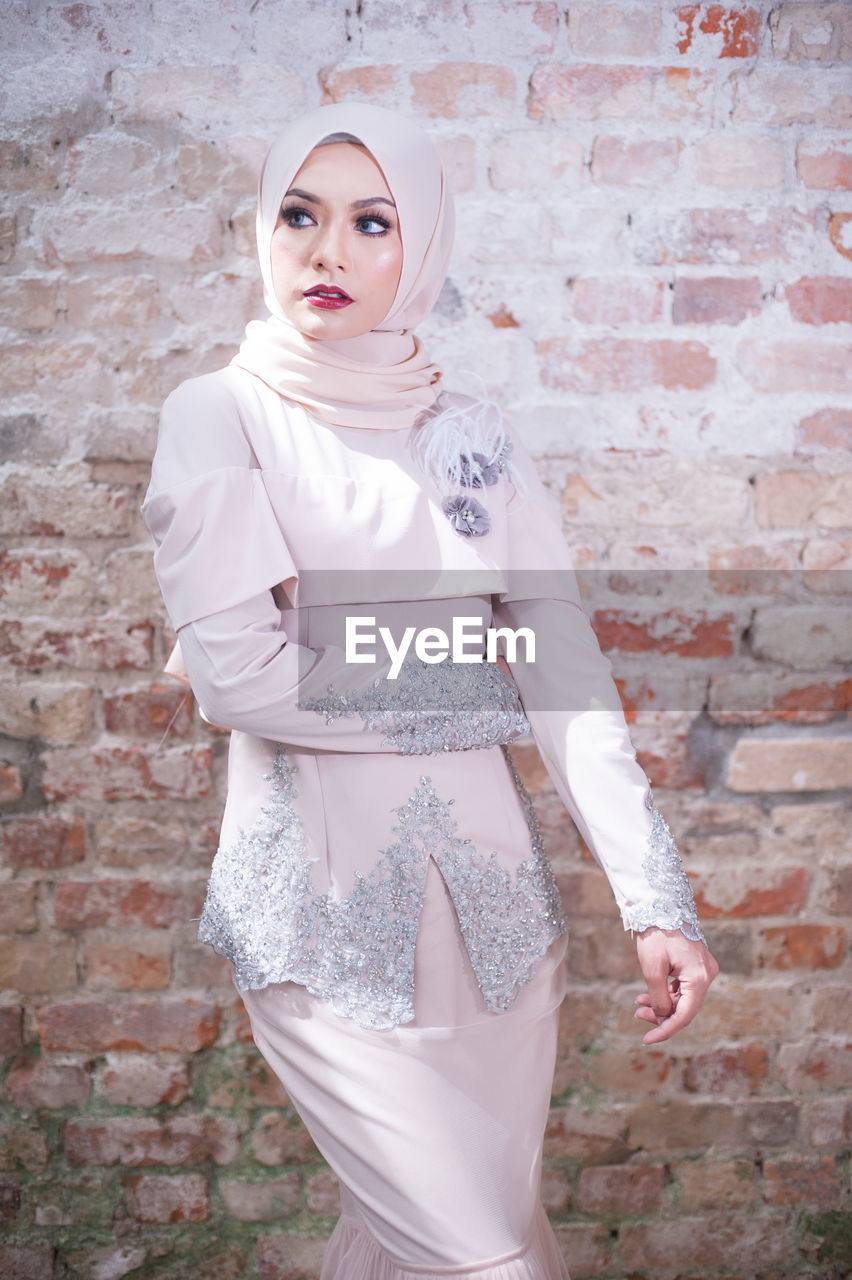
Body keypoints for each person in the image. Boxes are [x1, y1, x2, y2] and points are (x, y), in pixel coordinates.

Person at [142, 102, 718, 1280]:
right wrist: (480, 685)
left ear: (423, 246)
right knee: (481, 1263)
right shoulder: (223, 415)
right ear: (263, 227)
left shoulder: (476, 439)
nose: (327, 250)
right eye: (299, 213)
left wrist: (656, 898)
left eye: (372, 221)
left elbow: (564, 675)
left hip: (498, 933)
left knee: (435, 1246)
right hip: (324, 925)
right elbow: (240, 675)